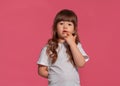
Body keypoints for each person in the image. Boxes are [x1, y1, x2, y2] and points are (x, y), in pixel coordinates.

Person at [37, 9, 90, 86]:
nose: (65, 27)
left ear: (74, 29)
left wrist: (72, 44)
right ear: (55, 28)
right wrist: (56, 76)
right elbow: (41, 71)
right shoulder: (48, 47)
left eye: (69, 24)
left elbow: (81, 64)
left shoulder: (76, 45)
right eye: (61, 23)